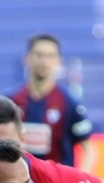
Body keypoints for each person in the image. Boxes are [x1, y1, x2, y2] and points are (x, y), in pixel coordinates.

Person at [7, 33, 96, 170]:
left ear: (59, 61)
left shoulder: (69, 103)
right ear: (27, 59)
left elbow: (89, 150)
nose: (44, 61)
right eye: (39, 55)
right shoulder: (10, 101)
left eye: (50, 56)